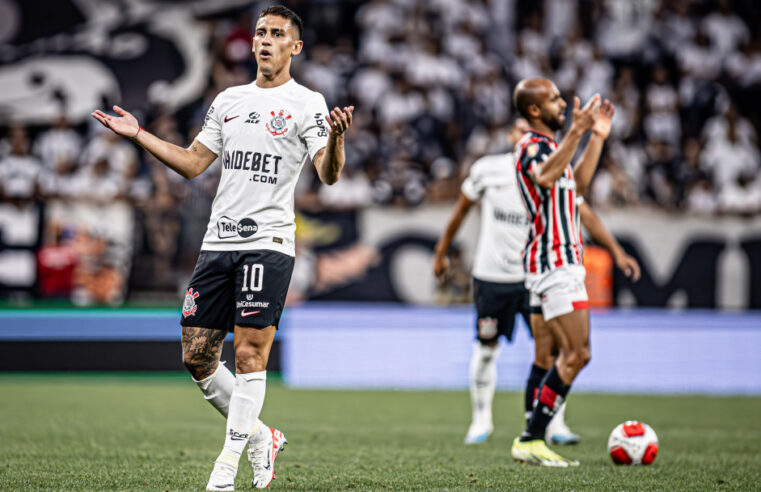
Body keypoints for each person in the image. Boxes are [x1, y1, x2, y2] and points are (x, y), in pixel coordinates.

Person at [92, 6, 354, 490]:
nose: (265, 41)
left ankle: (225, 468)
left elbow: (328, 173)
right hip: (218, 242)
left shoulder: (308, 102)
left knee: (251, 354)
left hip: (269, 241)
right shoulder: (228, 99)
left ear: (295, 47)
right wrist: (139, 135)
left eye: (277, 34)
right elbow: (193, 164)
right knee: (196, 357)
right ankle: (261, 438)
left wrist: (336, 140)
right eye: (260, 33)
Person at [433, 119, 639, 447]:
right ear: (511, 135)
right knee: (486, 349)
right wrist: (441, 252)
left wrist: (615, 250)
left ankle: (553, 423)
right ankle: (481, 419)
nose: (523, 135)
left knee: (552, 352)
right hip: (492, 276)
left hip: (534, 275)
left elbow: (582, 211)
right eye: (518, 129)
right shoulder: (489, 169)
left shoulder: (552, 169)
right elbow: (460, 211)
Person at [508, 78, 612, 467]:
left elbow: (576, 182)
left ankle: (532, 433)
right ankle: (532, 437)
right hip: (555, 261)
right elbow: (547, 177)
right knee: (578, 352)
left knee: (546, 355)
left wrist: (596, 137)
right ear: (534, 111)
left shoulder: (554, 149)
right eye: (553, 99)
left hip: (552, 262)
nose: (563, 103)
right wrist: (578, 131)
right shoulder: (531, 147)